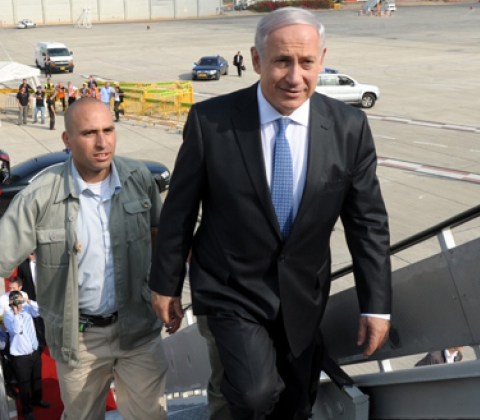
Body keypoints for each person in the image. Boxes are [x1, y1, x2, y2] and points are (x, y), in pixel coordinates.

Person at [149, 8, 392, 420]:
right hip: (230, 289)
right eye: (282, 61)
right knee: (253, 393)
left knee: (296, 404)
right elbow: (180, 209)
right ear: (257, 59)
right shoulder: (211, 122)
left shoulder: (349, 128)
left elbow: (367, 224)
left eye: (307, 62)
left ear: (322, 59)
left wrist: (376, 306)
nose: (295, 77)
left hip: (303, 292)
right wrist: (165, 284)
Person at [0, 98, 168, 420]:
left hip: (138, 327)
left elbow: (160, 237)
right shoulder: (40, 196)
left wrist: (167, 290)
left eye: (108, 130)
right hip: (79, 339)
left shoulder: (138, 178)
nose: (102, 142)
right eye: (89, 133)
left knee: (151, 415)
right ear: (67, 140)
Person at [4, 291, 50, 420]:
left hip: (34, 352)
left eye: (19, 300)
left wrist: (27, 301)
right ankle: (26, 409)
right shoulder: (9, 317)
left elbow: (40, 310)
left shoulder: (27, 309)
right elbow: (18, 330)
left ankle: (37, 400)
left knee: (37, 379)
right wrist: (15, 311)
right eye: (16, 300)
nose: (19, 303)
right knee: (24, 384)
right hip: (21, 357)